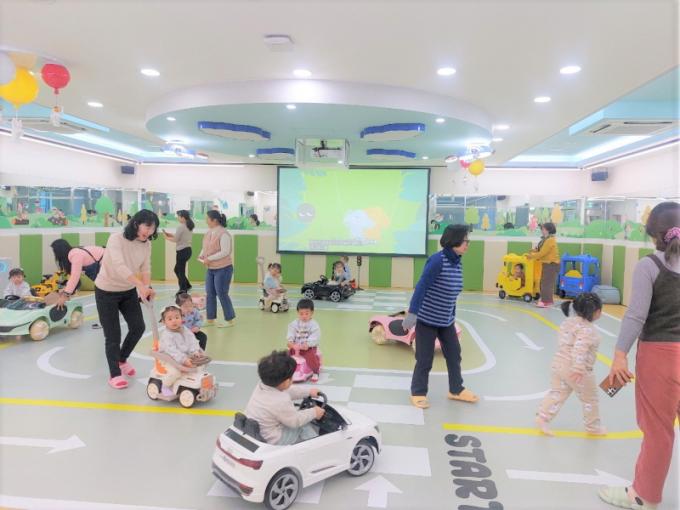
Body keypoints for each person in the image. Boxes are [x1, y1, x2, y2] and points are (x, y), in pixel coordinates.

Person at [599, 202, 680, 510]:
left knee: (659, 430)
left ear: (652, 234)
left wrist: (620, 354)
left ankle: (643, 496)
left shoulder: (650, 265)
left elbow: (635, 315)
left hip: (661, 356)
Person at [403, 224, 478, 409]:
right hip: (427, 320)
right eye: (465, 240)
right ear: (455, 240)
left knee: (454, 355)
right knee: (424, 359)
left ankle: (456, 389)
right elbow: (421, 286)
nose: (468, 244)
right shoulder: (438, 260)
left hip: (446, 322)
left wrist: (451, 316)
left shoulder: (457, 261)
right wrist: (412, 313)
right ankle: (418, 392)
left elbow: (452, 294)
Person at [95, 209, 158, 389]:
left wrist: (147, 287)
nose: (149, 232)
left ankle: (122, 359)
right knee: (113, 335)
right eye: (147, 227)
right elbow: (119, 266)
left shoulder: (146, 244)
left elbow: (145, 268)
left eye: (153, 228)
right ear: (136, 223)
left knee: (138, 327)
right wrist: (140, 285)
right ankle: (114, 374)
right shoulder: (116, 239)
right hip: (106, 291)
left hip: (128, 290)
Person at [535, 293, 606, 436]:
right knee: (590, 399)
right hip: (577, 370)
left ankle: (543, 417)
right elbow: (580, 348)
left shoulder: (567, 322)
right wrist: (578, 368)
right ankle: (593, 427)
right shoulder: (588, 329)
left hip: (558, 364)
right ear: (596, 312)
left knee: (557, 393)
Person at [245, 350, 324, 445]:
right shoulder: (281, 401)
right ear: (286, 382)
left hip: (259, 431)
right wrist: (314, 412)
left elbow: (287, 391)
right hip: (274, 439)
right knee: (304, 426)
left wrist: (308, 392)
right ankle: (317, 446)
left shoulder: (262, 385)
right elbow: (295, 421)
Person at [198, 210, 235, 328]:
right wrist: (202, 255)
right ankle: (210, 319)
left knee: (222, 293)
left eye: (207, 219)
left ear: (214, 220)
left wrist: (209, 258)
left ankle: (229, 320)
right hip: (211, 268)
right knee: (210, 293)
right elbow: (205, 247)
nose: (206, 221)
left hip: (223, 268)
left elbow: (225, 251)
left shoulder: (223, 234)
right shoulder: (209, 233)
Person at [157, 305, 203, 396]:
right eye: (170, 319)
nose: (174, 321)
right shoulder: (167, 336)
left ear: (182, 318)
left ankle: (194, 384)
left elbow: (192, 341)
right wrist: (184, 360)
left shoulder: (185, 329)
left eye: (177, 317)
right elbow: (172, 351)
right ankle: (165, 386)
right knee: (175, 372)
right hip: (168, 358)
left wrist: (195, 351)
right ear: (164, 322)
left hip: (184, 355)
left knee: (199, 366)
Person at [50, 239, 105, 309]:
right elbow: (75, 278)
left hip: (107, 261)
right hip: (103, 264)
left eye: (55, 251)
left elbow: (75, 277)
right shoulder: (73, 254)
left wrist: (65, 295)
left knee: (105, 292)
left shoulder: (75, 254)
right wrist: (66, 290)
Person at [526, 222, 560, 308]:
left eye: (543, 229)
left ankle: (546, 302)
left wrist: (531, 256)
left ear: (548, 230)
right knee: (544, 282)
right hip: (547, 264)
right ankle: (545, 300)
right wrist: (533, 251)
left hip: (551, 264)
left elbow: (542, 253)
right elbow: (540, 250)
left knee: (546, 283)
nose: (541, 230)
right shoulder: (545, 239)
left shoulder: (550, 240)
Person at [286, 299, 321, 382]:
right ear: (298, 312)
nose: (304, 316)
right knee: (285, 356)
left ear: (312, 313)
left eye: (307, 313)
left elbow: (315, 337)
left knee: (311, 357)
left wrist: (308, 344)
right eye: (301, 314)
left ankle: (315, 371)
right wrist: (291, 342)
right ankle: (286, 371)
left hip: (308, 348)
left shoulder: (314, 325)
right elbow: (291, 332)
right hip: (296, 347)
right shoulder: (294, 324)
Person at [163, 210, 195, 293]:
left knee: (180, 271)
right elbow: (181, 237)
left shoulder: (181, 227)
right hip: (187, 250)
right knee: (177, 270)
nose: (178, 218)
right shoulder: (188, 226)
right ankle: (187, 285)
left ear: (183, 218)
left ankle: (183, 289)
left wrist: (166, 237)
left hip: (182, 251)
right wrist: (170, 235)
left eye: (178, 216)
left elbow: (175, 239)